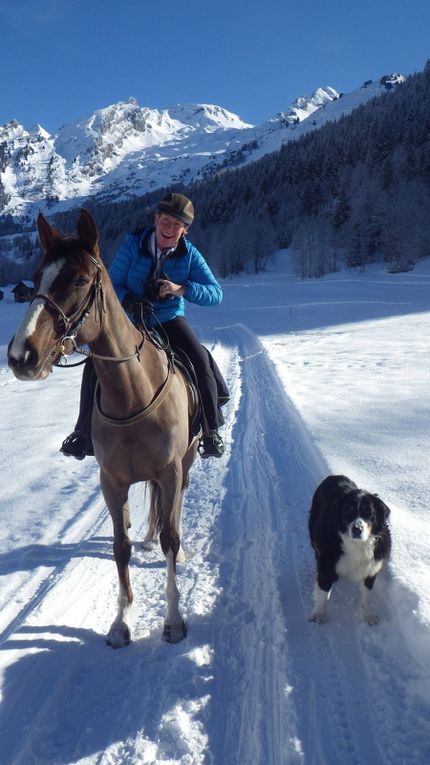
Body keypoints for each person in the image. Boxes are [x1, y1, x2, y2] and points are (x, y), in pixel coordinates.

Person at [61, 192, 228, 460]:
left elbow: (215, 293)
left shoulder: (190, 255)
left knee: (199, 358)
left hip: (169, 319)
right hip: (130, 322)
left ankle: (210, 431)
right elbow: (111, 282)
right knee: (96, 361)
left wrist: (182, 289)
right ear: (156, 220)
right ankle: (81, 432)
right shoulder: (133, 244)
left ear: (184, 230)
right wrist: (129, 300)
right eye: (165, 221)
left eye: (176, 224)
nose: (169, 228)